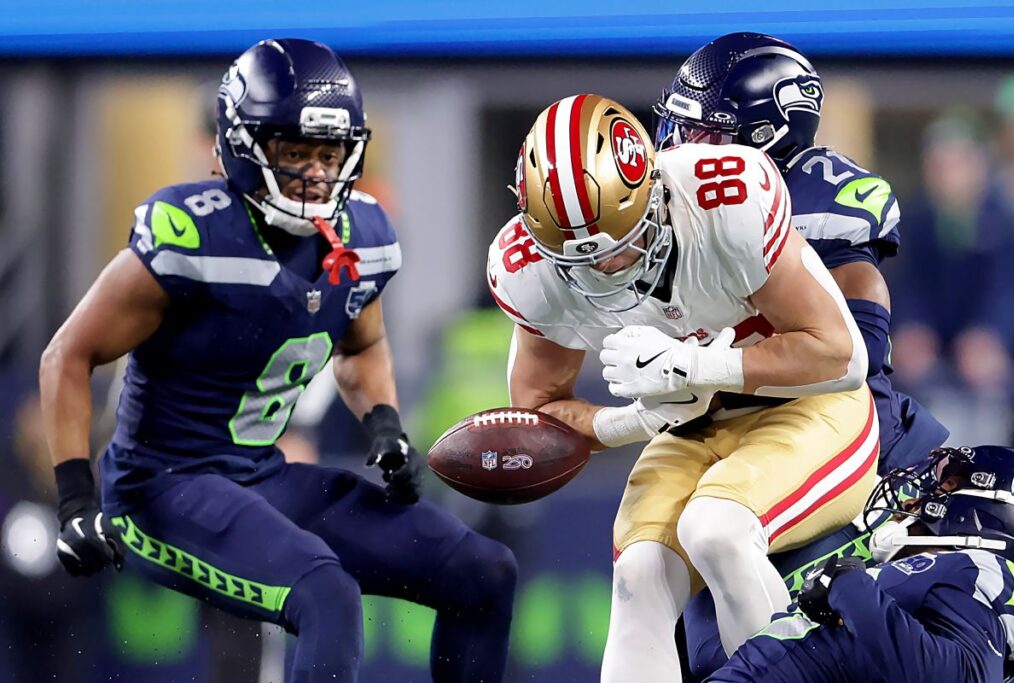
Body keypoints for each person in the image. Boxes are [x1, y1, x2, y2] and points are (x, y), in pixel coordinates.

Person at [39, 38, 516, 683]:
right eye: (294, 152)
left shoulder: (362, 236)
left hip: (262, 476)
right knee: (327, 594)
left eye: (329, 153)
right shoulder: (193, 235)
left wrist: (383, 427)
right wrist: (73, 502)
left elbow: (363, 343)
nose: (315, 173)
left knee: (483, 571)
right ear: (242, 145)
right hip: (162, 488)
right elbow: (68, 354)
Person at [488, 93, 878, 682]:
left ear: (654, 192)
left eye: (621, 245)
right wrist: (637, 420)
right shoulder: (526, 268)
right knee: (639, 572)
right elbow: (537, 417)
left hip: (811, 407)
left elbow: (842, 356)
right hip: (690, 427)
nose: (606, 271)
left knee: (716, 529)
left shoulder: (727, 199)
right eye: (581, 261)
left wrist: (698, 367)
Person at [650, 32, 951, 678]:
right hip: (746, 451)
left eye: (702, 133)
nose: (677, 147)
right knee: (694, 635)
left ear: (759, 138)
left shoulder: (813, 207)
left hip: (851, 446)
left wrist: (715, 369)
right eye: (679, 126)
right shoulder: (681, 213)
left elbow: (853, 359)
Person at [707, 444, 1014, 682]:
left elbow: (953, 677)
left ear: (993, 509)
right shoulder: (952, 579)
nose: (911, 501)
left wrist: (848, 586)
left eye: (943, 488)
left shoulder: (982, 570)